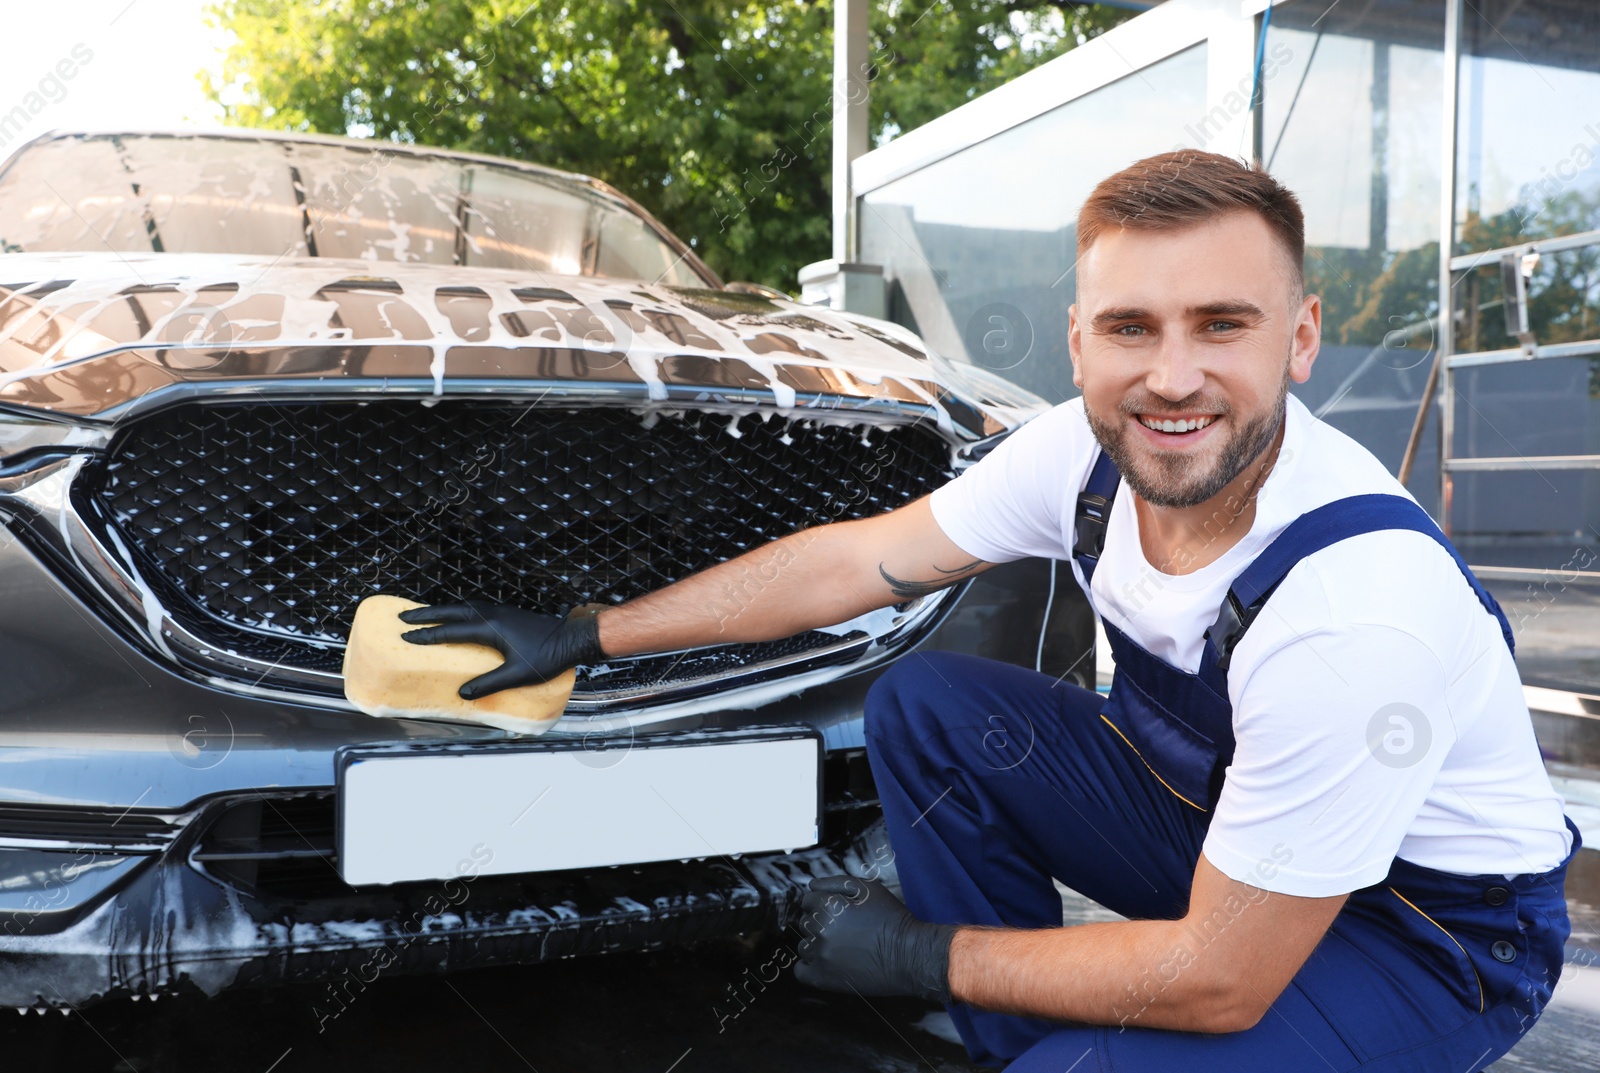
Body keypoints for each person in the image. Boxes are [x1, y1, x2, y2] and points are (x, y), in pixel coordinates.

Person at [399, 150, 1578, 1071]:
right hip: (1236, 834)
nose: (1171, 376)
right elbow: (851, 562)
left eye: (1222, 323)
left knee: (1184, 1010)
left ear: (1301, 337)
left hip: (1428, 934)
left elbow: (1222, 977)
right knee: (934, 704)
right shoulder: (1079, 454)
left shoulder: (1352, 610)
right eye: (1130, 328)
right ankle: (1035, 1040)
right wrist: (593, 629)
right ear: (1079, 340)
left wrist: (917, 951)